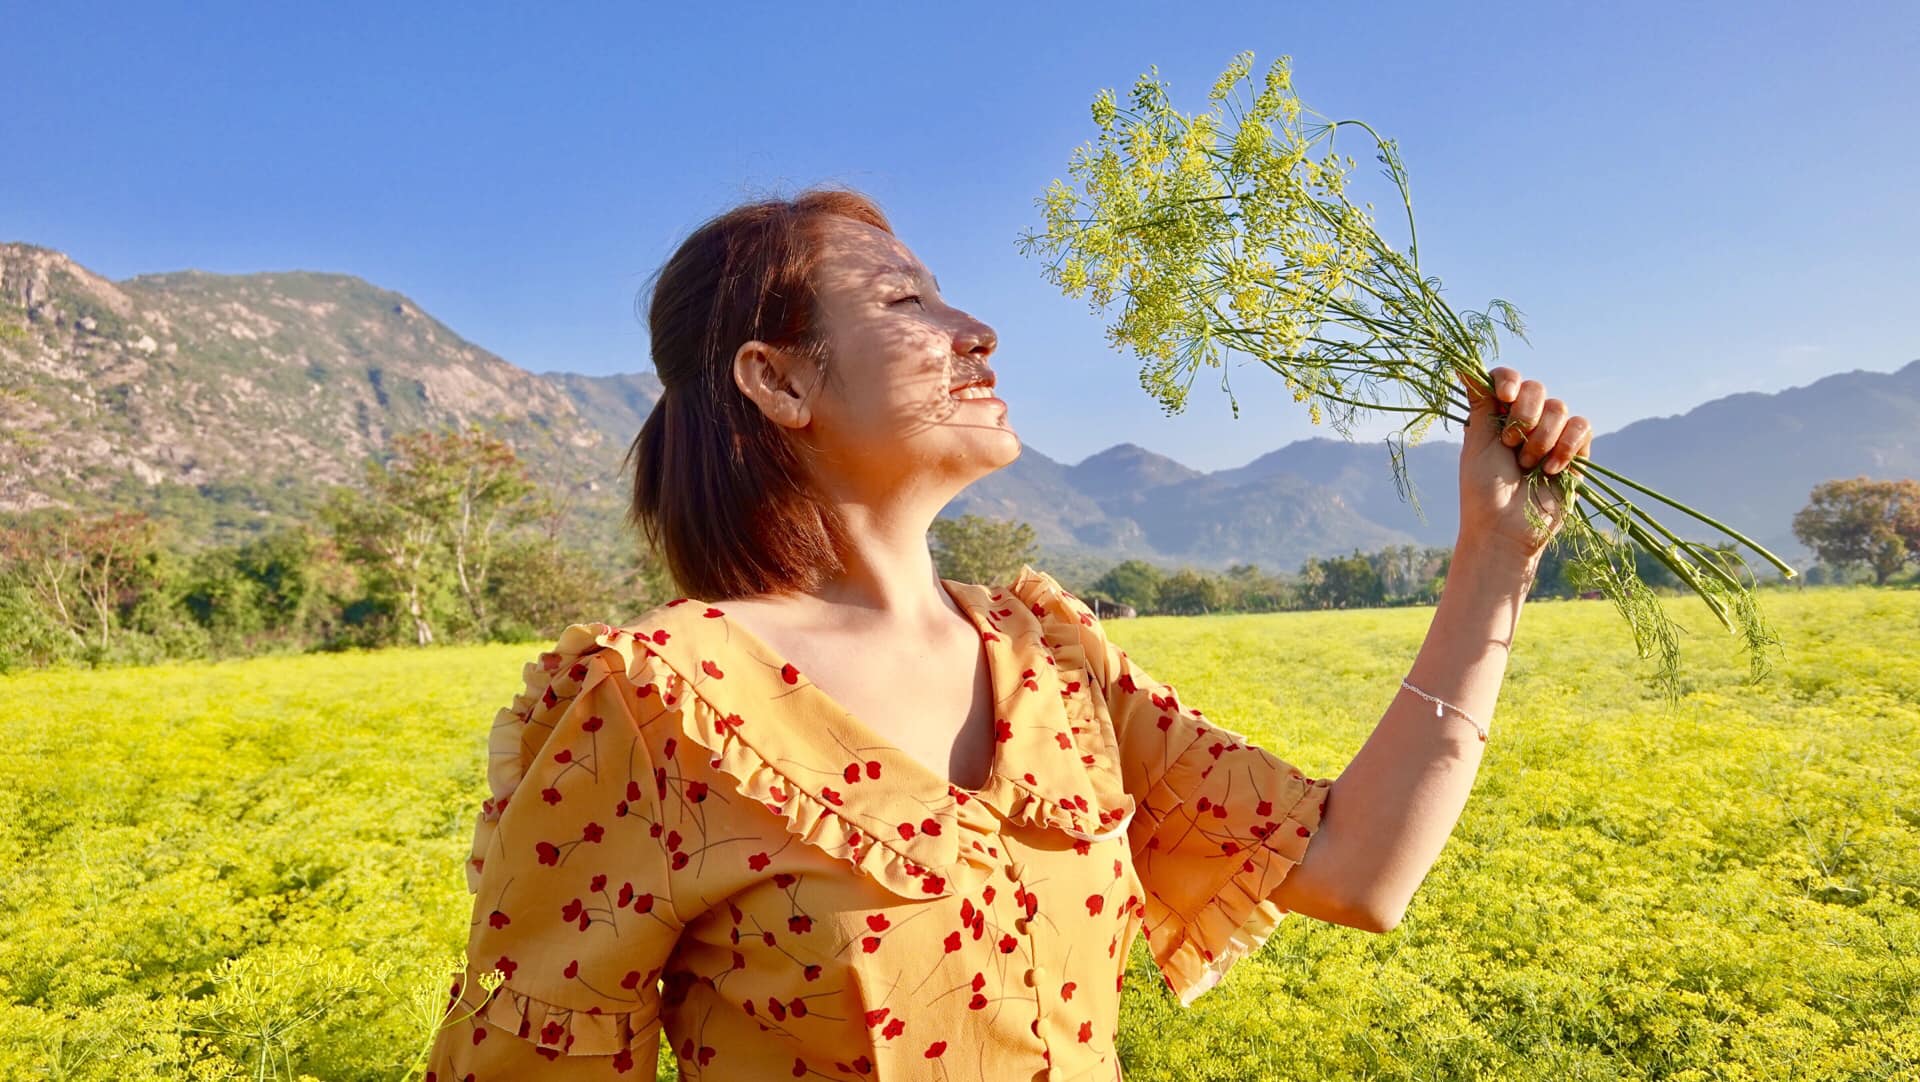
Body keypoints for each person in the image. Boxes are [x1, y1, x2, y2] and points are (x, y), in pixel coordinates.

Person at [423, 187, 1592, 1080]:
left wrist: (1495, 557)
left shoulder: (1048, 659)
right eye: (903, 301)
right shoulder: (658, 704)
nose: (976, 330)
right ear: (777, 381)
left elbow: (1355, 867)